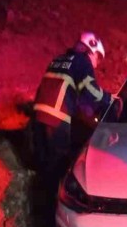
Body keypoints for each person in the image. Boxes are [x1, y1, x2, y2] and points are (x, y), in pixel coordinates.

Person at [31, 32, 112, 176]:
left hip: (38, 116)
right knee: (59, 164)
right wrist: (108, 99)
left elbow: (69, 90)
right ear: (91, 50)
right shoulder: (82, 61)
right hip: (56, 117)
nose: (97, 62)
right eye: (98, 56)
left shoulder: (58, 59)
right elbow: (91, 91)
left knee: (43, 162)